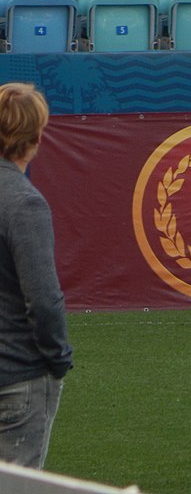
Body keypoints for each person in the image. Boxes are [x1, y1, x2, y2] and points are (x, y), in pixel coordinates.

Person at [0, 82, 73, 469]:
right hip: (17, 376)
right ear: (35, 137)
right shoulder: (24, 203)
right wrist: (58, 358)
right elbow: (43, 299)